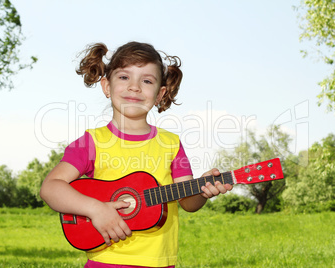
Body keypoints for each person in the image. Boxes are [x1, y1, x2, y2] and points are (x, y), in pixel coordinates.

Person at [40, 41, 232, 268]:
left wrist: (203, 190)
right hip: (106, 260)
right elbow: (50, 188)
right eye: (124, 77)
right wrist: (96, 209)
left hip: (160, 262)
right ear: (106, 86)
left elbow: (187, 202)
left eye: (147, 80)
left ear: (160, 93)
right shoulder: (92, 142)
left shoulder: (171, 144)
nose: (135, 87)